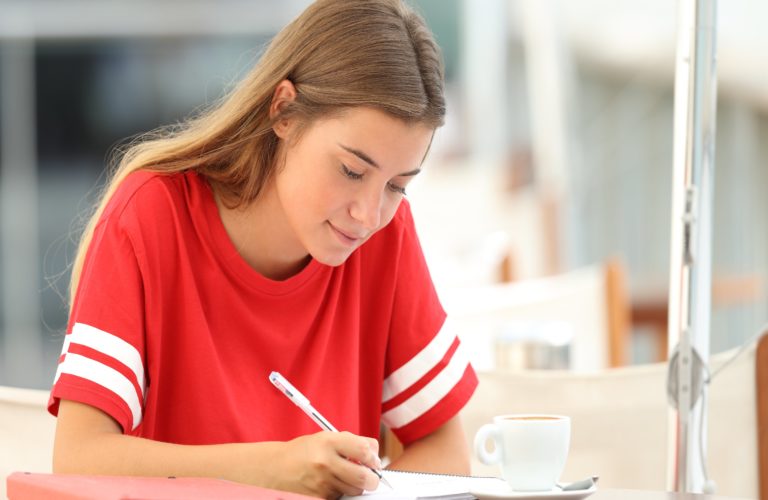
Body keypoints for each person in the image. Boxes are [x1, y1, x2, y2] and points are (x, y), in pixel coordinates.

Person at [48, 0, 478, 498]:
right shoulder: (151, 216)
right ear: (284, 112)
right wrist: (272, 468)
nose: (369, 213)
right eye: (352, 171)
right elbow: (78, 459)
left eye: (398, 185)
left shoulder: (386, 234)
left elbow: (448, 453)